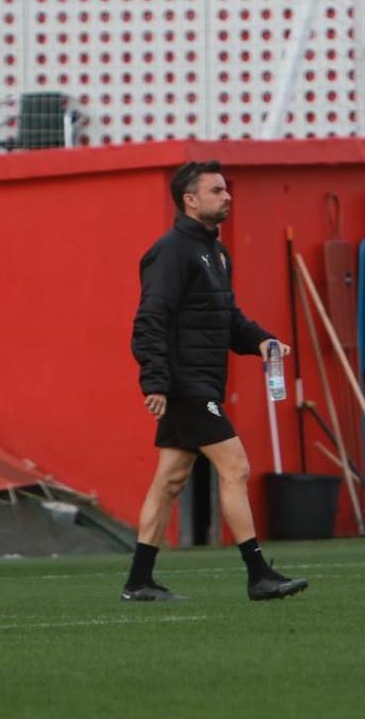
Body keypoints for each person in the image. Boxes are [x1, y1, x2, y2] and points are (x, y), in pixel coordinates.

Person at [124, 160, 309, 602]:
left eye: (227, 190)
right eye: (217, 191)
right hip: (188, 384)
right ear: (190, 200)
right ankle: (258, 573)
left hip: (202, 380)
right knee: (236, 466)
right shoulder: (171, 251)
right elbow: (149, 319)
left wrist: (262, 341)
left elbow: (227, 320)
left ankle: (138, 581)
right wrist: (155, 380)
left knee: (170, 479)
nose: (227, 197)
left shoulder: (217, 253)